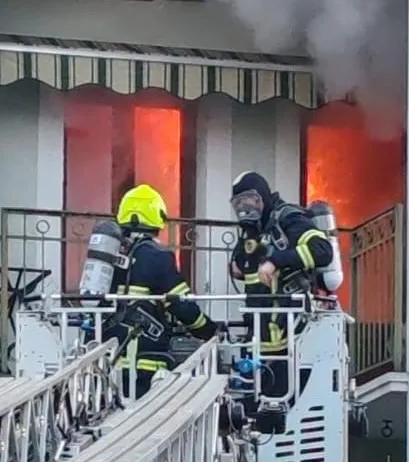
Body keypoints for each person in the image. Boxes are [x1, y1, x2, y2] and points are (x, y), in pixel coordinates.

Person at [229, 171, 333, 401]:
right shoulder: (252, 232)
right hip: (259, 341)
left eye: (249, 200)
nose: (245, 208)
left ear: (263, 197)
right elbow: (239, 266)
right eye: (239, 204)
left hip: (291, 341)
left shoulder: (288, 219)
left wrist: (276, 260)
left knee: (281, 409)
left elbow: (322, 251)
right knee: (253, 410)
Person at [107, 184, 217, 399]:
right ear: (157, 217)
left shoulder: (108, 253)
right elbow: (182, 306)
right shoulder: (158, 256)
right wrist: (208, 330)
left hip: (105, 362)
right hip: (144, 363)